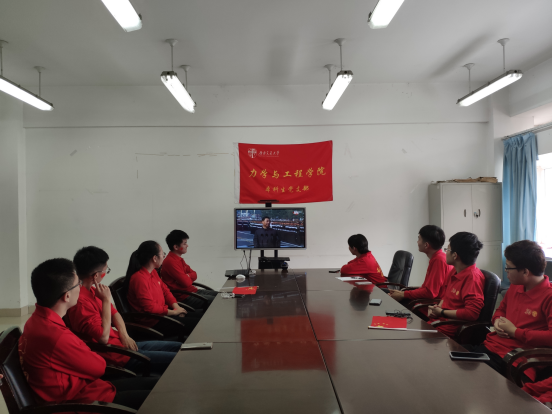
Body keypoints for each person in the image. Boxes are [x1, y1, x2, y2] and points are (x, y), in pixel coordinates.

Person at [19, 258, 157, 410]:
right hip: (86, 404)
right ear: (67, 296)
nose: (81, 287)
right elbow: (99, 367)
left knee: (157, 385)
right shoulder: (56, 335)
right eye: (77, 284)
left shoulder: (35, 321)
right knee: (161, 395)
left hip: (91, 389)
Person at [67, 246, 182, 376]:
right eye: (106, 271)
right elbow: (103, 338)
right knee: (181, 359)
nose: (106, 273)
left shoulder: (94, 291)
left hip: (123, 343)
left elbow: (115, 313)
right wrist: (106, 300)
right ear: (96, 276)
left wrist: (124, 335)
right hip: (119, 356)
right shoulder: (80, 304)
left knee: (179, 347)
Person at [464, 240, 551, 381]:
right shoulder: (515, 286)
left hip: (516, 361)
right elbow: (501, 310)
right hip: (491, 348)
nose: (506, 272)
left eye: (508, 268)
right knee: (449, 358)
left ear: (525, 271)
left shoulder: (548, 297)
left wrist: (515, 331)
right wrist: (497, 321)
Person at [124, 241, 204, 337]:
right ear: (154, 258)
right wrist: (173, 312)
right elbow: (149, 308)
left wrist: (176, 307)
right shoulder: (139, 279)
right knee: (200, 325)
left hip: (164, 314)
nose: (164, 256)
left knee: (203, 319)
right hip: (153, 323)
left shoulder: (153, 272)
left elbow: (165, 291)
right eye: (162, 254)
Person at [427, 232, 485, 338]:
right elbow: (446, 296)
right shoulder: (454, 271)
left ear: (455, 255)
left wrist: (442, 312)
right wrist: (437, 308)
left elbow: (472, 313)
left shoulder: (472, 278)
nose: (445, 253)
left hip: (448, 331)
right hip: (438, 323)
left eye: (447, 249)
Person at [389, 225, 453, 304]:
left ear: (426, 245)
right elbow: (426, 288)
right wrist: (402, 293)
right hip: (426, 302)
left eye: (419, 239)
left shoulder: (438, 260)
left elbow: (430, 293)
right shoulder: (439, 257)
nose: (417, 242)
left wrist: (403, 294)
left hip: (431, 306)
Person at [160, 230, 219, 309]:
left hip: (192, 291)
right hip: (184, 297)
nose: (187, 245)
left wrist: (187, 276)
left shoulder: (179, 259)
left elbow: (194, 274)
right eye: (184, 243)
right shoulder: (170, 262)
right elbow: (186, 283)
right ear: (176, 247)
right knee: (218, 301)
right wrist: (188, 277)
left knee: (220, 295)